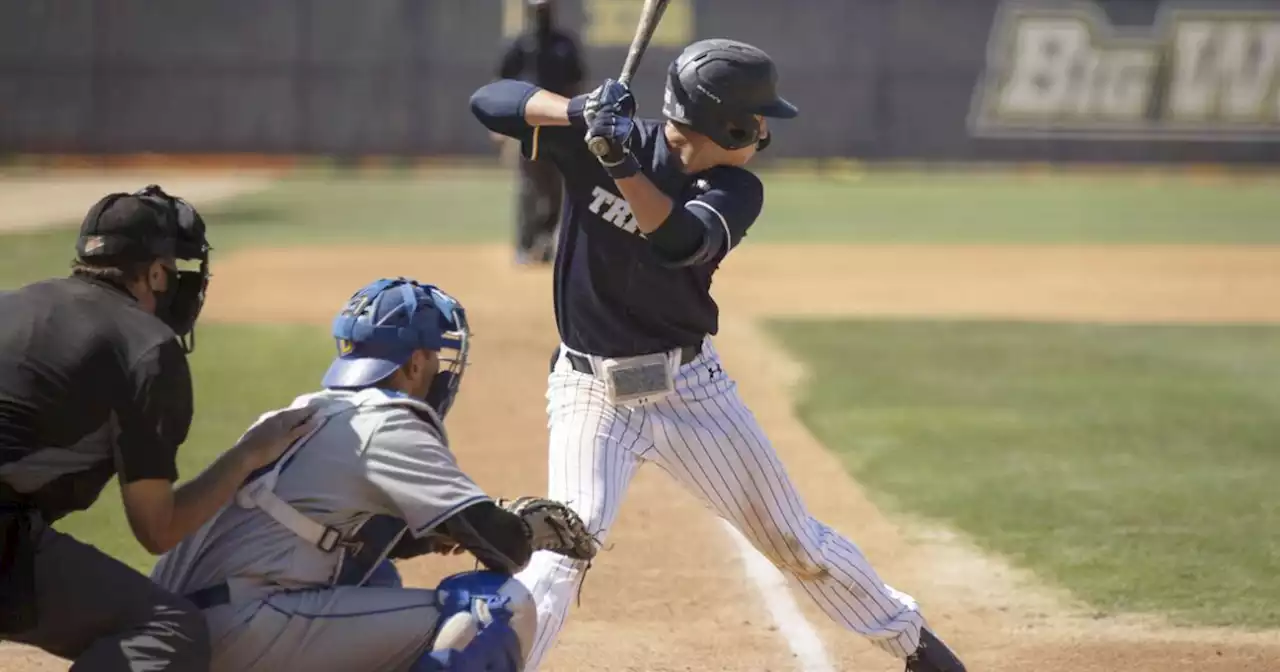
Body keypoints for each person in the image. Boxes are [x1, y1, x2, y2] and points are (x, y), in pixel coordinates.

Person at [470, 39, 968, 671]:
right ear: (725, 122)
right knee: (565, 550)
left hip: (691, 394)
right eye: (757, 120)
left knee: (795, 540)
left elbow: (679, 241)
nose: (764, 132)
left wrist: (618, 161)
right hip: (589, 394)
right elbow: (490, 103)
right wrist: (578, 112)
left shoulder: (733, 186)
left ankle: (918, 649)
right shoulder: (601, 136)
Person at [149, 277, 597, 672]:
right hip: (238, 631)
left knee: (377, 580)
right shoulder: (390, 422)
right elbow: (504, 546)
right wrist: (522, 527)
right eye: (437, 357)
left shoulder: (308, 408)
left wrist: (432, 537)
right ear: (414, 365)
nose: (442, 372)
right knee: (495, 609)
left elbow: (350, 539)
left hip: (178, 629)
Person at [0, 185, 315, 670]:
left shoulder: (12, 302)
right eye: (171, 271)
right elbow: (157, 529)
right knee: (169, 630)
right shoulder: (145, 345)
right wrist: (249, 453)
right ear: (151, 273)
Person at [496, 0, 586, 265]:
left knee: (556, 186)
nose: (541, 13)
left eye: (544, 8)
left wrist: (577, 118)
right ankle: (524, 244)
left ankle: (545, 241)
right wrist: (500, 126)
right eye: (536, 8)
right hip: (527, 125)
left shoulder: (564, 45)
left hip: (559, 123)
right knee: (528, 185)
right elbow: (501, 81)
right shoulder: (519, 44)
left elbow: (577, 81)